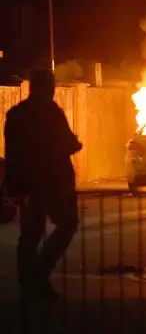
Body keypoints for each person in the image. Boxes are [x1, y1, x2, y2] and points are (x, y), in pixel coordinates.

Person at [4, 68, 83, 299]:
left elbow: (12, 153)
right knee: (68, 223)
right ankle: (38, 273)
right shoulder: (51, 112)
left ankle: (29, 281)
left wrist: (15, 185)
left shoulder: (16, 114)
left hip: (28, 185)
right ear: (48, 88)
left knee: (30, 234)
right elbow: (69, 144)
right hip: (53, 183)